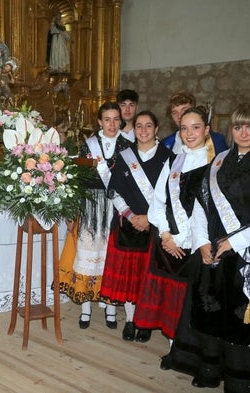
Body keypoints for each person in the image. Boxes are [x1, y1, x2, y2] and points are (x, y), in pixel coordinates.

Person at [162, 103, 250, 391]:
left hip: (245, 255)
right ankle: (210, 370)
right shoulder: (219, 161)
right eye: (238, 126)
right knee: (210, 312)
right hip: (212, 253)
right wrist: (201, 241)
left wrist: (233, 242)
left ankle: (239, 380)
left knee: (239, 321)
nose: (244, 132)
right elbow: (201, 205)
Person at [134, 107, 214, 355]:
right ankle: (170, 346)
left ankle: (182, 351)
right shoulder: (174, 160)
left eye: (196, 127)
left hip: (195, 244)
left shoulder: (215, 163)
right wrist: (166, 235)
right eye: (184, 128)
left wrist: (188, 239)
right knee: (166, 297)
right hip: (167, 239)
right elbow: (158, 200)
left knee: (185, 301)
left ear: (207, 130)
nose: (189, 133)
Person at [56, 102, 132, 330]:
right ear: (99, 122)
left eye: (116, 119)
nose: (112, 124)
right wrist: (71, 212)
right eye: (107, 119)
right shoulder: (88, 146)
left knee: (110, 256)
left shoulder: (128, 146)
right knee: (88, 255)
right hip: (89, 207)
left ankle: (110, 308)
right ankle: (86, 307)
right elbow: (76, 182)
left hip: (116, 208)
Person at [100, 111, 173, 343]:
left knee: (147, 279)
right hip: (128, 226)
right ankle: (131, 320)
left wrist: (149, 218)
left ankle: (145, 323)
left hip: (155, 228)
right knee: (131, 279)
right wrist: (131, 215)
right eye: (139, 126)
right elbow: (114, 192)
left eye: (148, 126)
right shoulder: (125, 156)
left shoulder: (169, 157)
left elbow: (171, 197)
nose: (143, 130)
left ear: (157, 129)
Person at [161, 91, 227, 154]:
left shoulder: (216, 141)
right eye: (174, 113)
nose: (179, 116)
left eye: (184, 110)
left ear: (194, 110)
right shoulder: (166, 144)